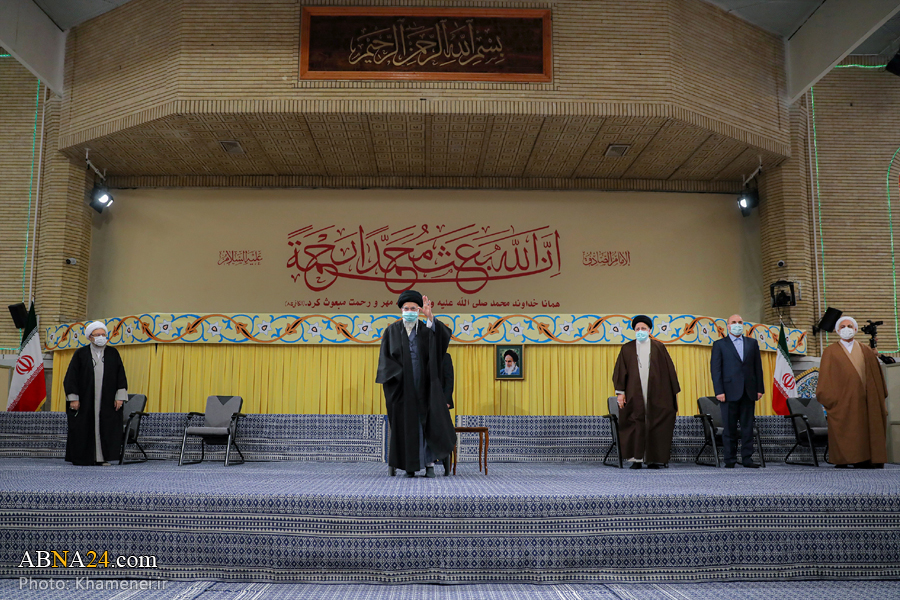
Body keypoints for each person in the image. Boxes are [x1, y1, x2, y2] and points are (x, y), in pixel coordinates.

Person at [376, 290, 456, 478]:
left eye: (414, 308)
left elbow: (441, 342)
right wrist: (399, 376)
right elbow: (385, 361)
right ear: (401, 310)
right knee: (406, 426)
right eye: (406, 308)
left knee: (427, 423)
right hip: (402, 389)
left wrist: (430, 317)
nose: (410, 311)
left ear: (419, 310)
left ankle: (429, 464)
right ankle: (409, 466)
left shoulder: (427, 329)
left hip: (425, 387)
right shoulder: (391, 331)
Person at [815, 316, 888, 468]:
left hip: (865, 400)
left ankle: (865, 459)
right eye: (842, 326)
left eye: (849, 326)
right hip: (842, 402)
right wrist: (832, 400)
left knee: (864, 430)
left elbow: (876, 376)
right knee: (845, 431)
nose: (846, 329)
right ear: (837, 330)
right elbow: (825, 378)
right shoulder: (830, 351)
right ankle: (844, 459)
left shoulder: (865, 350)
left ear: (855, 329)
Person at [612, 315, 681, 469]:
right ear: (634, 331)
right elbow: (620, 371)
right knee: (635, 423)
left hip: (657, 393)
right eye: (637, 329)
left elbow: (669, 371)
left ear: (649, 330)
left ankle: (653, 459)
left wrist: (671, 394)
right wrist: (620, 393)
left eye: (643, 328)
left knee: (656, 422)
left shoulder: (659, 347)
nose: (640, 331)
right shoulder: (627, 348)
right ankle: (636, 459)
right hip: (634, 393)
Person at [63, 321, 128, 466]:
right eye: (97, 334)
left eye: (103, 334)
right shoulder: (81, 354)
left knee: (106, 427)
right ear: (90, 337)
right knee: (83, 427)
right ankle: (85, 458)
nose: (101, 337)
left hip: (107, 400)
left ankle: (102, 458)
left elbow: (121, 377)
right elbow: (71, 377)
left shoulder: (113, 353)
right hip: (85, 400)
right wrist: (73, 398)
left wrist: (120, 398)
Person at [710, 314, 765, 468]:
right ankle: (730, 459)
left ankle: (747, 458)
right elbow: (716, 370)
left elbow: (758, 367)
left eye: (740, 322)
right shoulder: (720, 344)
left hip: (749, 391)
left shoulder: (752, 343)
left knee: (747, 427)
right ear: (728, 326)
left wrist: (759, 388)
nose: (737, 325)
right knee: (729, 428)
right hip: (728, 392)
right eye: (733, 322)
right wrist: (719, 391)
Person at [442, 353, 455, 475]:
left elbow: (449, 379)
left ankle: (445, 463)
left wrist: (446, 401)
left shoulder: (445, 357)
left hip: (441, 402)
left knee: (444, 431)